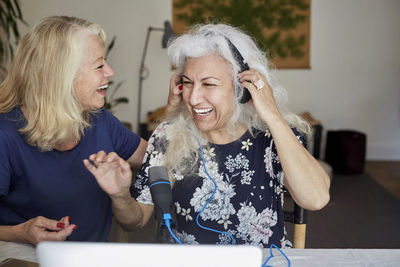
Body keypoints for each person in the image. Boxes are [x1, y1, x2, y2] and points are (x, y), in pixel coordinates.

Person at [85, 24, 330, 248]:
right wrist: (119, 196)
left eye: (209, 84)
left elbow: (316, 199)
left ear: (240, 90)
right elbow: (135, 222)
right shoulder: (168, 136)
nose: (193, 98)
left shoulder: (271, 136)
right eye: (188, 83)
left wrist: (274, 117)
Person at [0, 16, 148, 245]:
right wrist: (19, 233)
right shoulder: (5, 135)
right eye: (99, 65)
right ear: (61, 76)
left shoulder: (102, 123)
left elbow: (159, 160)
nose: (110, 72)